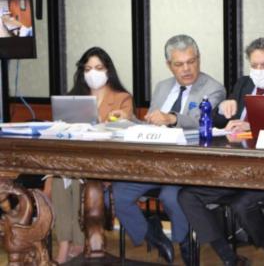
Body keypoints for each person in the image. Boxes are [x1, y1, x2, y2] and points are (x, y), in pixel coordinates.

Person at [179, 37, 264, 266]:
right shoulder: (243, 84)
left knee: (242, 204)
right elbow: (216, 119)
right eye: (254, 65)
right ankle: (229, 258)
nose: (258, 70)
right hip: (230, 169)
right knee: (187, 195)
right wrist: (223, 110)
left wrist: (254, 126)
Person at [112, 34, 225, 265]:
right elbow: (150, 125)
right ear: (168, 65)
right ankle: (152, 235)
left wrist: (172, 118)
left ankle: (184, 244)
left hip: (187, 165)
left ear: (199, 59)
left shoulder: (213, 88)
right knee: (120, 193)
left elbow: (197, 120)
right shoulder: (162, 87)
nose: (186, 69)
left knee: (171, 197)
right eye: (179, 64)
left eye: (191, 62)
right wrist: (130, 119)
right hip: (154, 164)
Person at [50, 46, 134, 264]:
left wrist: (123, 119)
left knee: (81, 182)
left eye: (98, 68)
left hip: (104, 165)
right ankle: (65, 244)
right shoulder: (73, 98)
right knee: (59, 179)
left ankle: (79, 243)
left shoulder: (122, 98)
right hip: (73, 161)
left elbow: (127, 131)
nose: (93, 73)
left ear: (108, 70)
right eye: (88, 69)